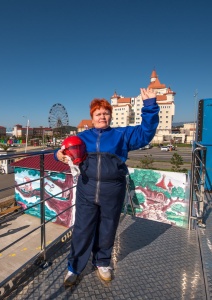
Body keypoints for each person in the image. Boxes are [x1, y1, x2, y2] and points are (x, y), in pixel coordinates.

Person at [55, 88, 159, 286]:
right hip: (87, 189)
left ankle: (102, 262)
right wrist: (58, 156)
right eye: (98, 113)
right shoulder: (83, 138)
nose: (102, 116)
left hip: (113, 190)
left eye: (105, 113)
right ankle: (74, 268)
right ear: (92, 118)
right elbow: (62, 150)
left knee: (108, 228)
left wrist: (150, 105)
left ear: (110, 116)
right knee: (82, 229)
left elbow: (146, 133)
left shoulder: (122, 134)